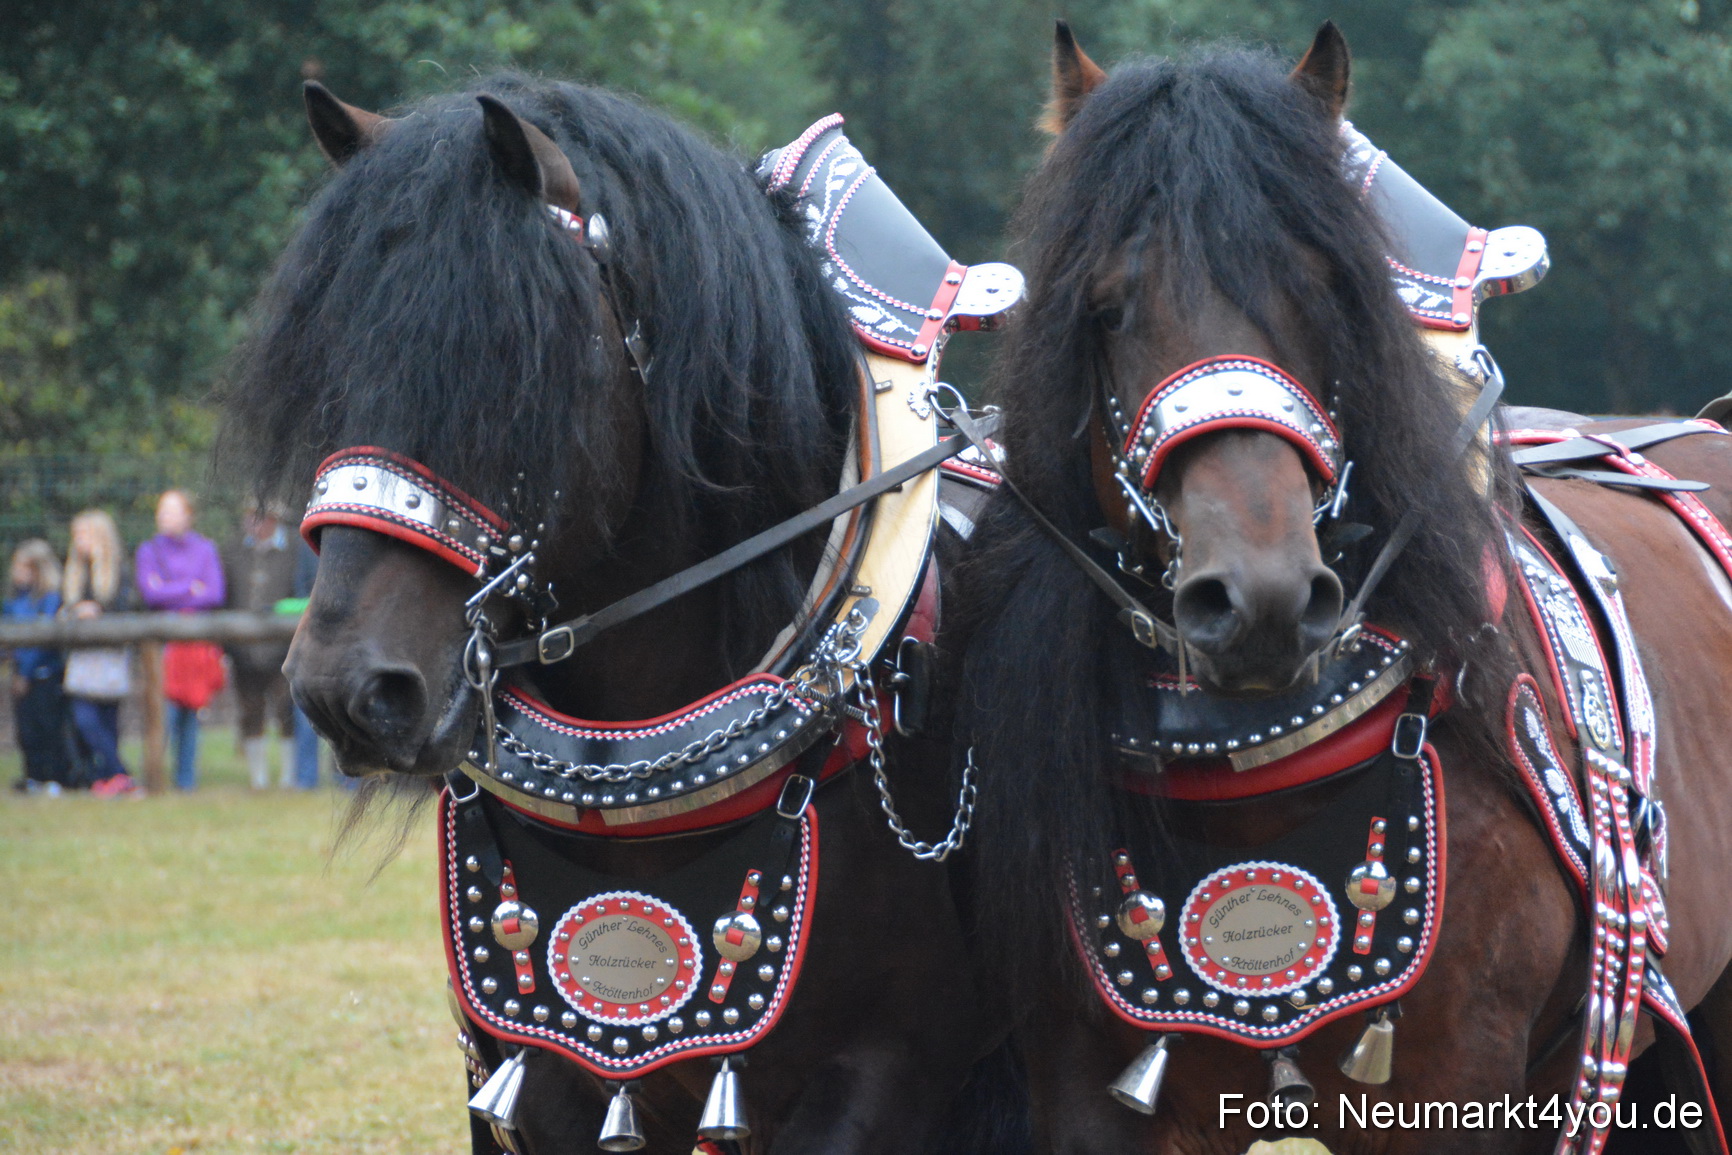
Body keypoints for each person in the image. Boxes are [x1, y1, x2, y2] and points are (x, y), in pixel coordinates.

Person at [135, 490, 225, 790]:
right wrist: (190, 587)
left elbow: (214, 593)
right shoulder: (148, 551)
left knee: (192, 710)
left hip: (196, 647)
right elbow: (150, 593)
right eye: (162, 510)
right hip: (164, 648)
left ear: (189, 515)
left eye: (172, 510)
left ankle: (186, 781)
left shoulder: (205, 549)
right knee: (165, 713)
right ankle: (154, 777)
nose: (165, 516)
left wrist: (169, 589)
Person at [222, 502, 297, 789]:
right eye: (251, 516)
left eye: (262, 517)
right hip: (243, 649)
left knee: (287, 709)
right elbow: (225, 597)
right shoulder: (232, 550)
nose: (255, 523)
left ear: (274, 520)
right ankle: (259, 778)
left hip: (285, 648)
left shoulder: (294, 550)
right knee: (250, 710)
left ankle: (289, 776)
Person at [62, 510, 136, 796]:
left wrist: (99, 610)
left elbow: (125, 606)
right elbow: (66, 606)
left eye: (84, 534)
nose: (78, 540)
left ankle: (110, 778)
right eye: (76, 535)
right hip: (82, 656)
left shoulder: (119, 569)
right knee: (85, 718)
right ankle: (119, 772)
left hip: (110, 655)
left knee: (107, 720)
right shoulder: (74, 572)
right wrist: (74, 611)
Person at [5, 539, 70, 793]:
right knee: (25, 729)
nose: (17, 572)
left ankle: (53, 777)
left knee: (47, 726)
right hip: (19, 671)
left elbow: (40, 640)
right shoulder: (14, 601)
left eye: (23, 567)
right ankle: (32, 776)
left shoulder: (50, 599)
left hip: (45, 674)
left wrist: (25, 673)